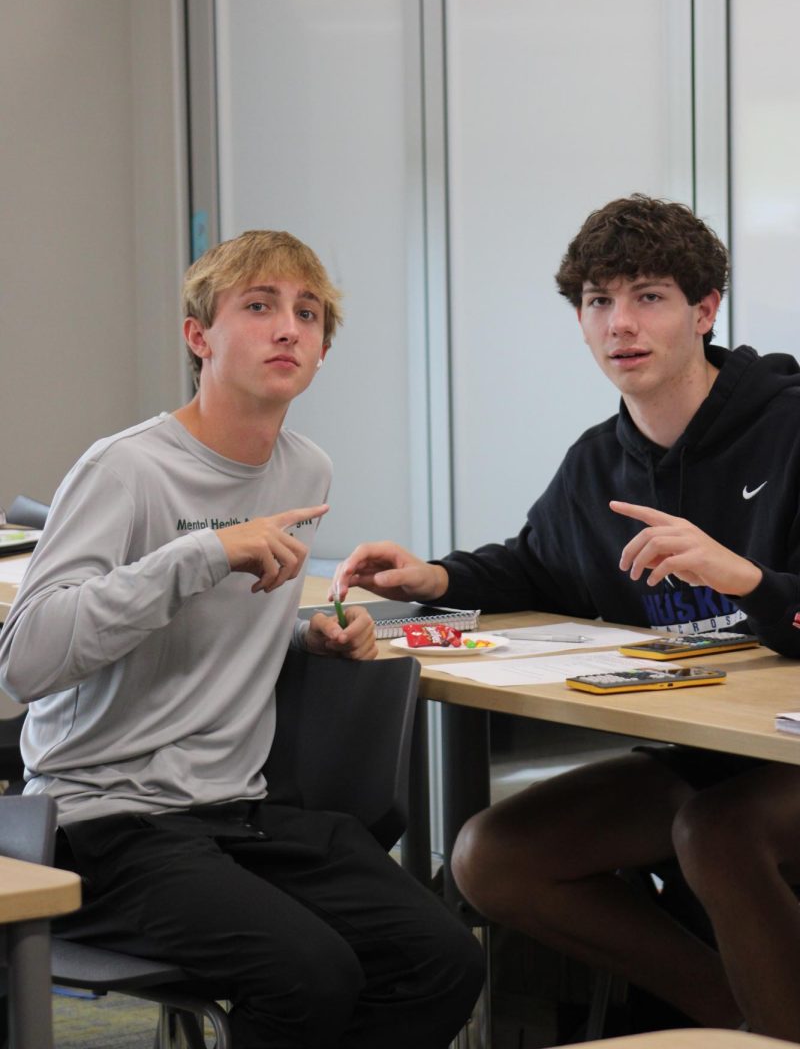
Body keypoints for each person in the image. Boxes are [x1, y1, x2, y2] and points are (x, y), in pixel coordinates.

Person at [0, 230, 483, 1049]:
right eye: (257, 307)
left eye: (306, 313)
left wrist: (305, 642)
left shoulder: (306, 470)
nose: (287, 328)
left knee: (441, 958)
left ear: (325, 348)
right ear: (200, 337)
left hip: (237, 811)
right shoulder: (126, 470)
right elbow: (28, 658)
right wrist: (202, 552)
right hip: (103, 820)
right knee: (307, 973)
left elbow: (208, 631)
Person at [334, 195, 800, 1040]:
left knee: (717, 832)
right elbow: (540, 566)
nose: (620, 323)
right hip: (705, 761)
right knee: (493, 856)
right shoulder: (599, 459)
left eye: (648, 296)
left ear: (705, 310)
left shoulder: (790, 428)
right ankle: (736, 1017)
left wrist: (750, 581)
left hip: (781, 762)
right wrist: (431, 575)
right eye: (596, 301)